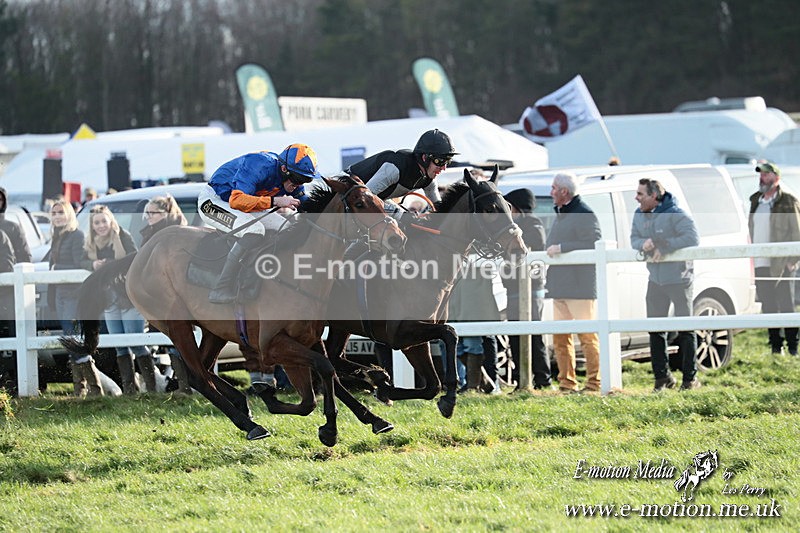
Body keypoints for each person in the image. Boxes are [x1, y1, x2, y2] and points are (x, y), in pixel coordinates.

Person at [198, 143, 321, 305]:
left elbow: (305, 204)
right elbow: (236, 201)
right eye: (299, 178)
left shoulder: (291, 177)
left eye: (306, 179)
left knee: (287, 228)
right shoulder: (259, 165)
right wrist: (276, 201)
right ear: (284, 169)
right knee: (255, 230)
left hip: (244, 203)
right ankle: (221, 287)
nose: (299, 184)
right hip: (214, 200)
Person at [631, 178, 701, 391]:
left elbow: (692, 238)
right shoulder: (638, 214)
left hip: (679, 279)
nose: (637, 197)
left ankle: (690, 379)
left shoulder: (677, 214)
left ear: (654, 196)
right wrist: (643, 244)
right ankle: (662, 377)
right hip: (655, 279)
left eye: (640, 194)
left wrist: (665, 245)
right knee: (655, 329)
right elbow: (633, 238)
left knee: (686, 329)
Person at [82, 205, 157, 394]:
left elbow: (135, 257)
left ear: (110, 221)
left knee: (137, 343)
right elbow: (79, 260)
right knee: (120, 346)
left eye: (103, 221)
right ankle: (130, 389)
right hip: (108, 299)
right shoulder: (91, 243)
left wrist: (111, 266)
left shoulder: (123, 237)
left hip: (127, 296)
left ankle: (152, 387)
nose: (101, 226)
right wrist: (92, 264)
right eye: (96, 222)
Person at [545, 172, 602, 393]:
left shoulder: (584, 213)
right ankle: (566, 383)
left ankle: (594, 382)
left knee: (587, 337)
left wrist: (563, 248)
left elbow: (593, 242)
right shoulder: (562, 214)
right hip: (560, 284)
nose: (551, 193)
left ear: (564, 191)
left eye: (553, 189)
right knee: (561, 337)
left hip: (580, 286)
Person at [48, 199, 106, 396]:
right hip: (60, 294)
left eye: (60, 213)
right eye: (54, 213)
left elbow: (79, 263)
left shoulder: (76, 235)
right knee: (70, 339)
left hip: (73, 294)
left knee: (74, 339)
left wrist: (57, 269)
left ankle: (94, 388)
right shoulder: (57, 237)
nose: (57, 217)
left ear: (69, 215)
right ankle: (79, 388)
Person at [139, 195, 192, 394]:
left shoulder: (174, 233)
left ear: (165, 213)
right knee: (165, 341)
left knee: (177, 341)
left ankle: (185, 386)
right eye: (148, 213)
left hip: (174, 297)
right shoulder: (150, 233)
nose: (149, 217)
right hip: (156, 297)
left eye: (154, 213)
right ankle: (174, 384)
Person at [749, 161, 800, 356]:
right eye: (761, 174)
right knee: (768, 304)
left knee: (786, 304)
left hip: (781, 261)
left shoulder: (788, 201)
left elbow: (797, 231)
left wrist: (792, 258)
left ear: (776, 178)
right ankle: (775, 347)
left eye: (767, 174)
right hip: (761, 260)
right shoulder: (755, 200)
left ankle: (793, 347)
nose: (762, 178)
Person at [502, 188, 551, 390]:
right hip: (513, 288)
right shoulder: (516, 226)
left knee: (534, 335)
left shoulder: (532, 225)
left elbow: (532, 251)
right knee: (515, 335)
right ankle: (522, 379)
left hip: (531, 288)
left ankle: (543, 379)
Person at [347, 129, 457, 206]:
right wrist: (399, 213)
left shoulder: (429, 177)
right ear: (424, 158)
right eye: (440, 161)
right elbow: (364, 199)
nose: (443, 168)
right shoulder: (395, 168)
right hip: (346, 189)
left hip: (363, 198)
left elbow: (438, 208)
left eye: (448, 162)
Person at [0, 186, 33, 264]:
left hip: (8, 273)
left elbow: (26, 260)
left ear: (4, 203)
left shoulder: (13, 228)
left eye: (0, 199)